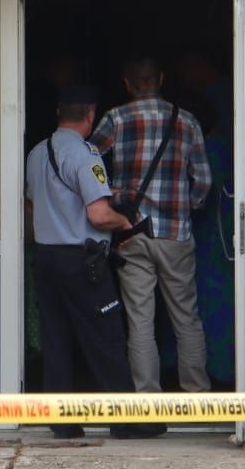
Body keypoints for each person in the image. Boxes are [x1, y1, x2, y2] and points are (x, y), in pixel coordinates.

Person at [25, 83, 165, 439]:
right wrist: (129, 223)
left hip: (45, 258)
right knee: (107, 340)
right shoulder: (86, 155)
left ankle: (62, 422)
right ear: (90, 116)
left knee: (56, 340)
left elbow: (32, 206)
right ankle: (125, 421)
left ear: (59, 113)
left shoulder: (37, 152)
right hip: (81, 261)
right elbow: (100, 215)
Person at [90, 57, 213, 398]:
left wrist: (110, 194)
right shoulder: (187, 122)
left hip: (131, 232)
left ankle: (146, 398)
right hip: (175, 234)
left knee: (139, 321)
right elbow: (202, 180)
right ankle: (197, 396)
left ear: (127, 84)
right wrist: (187, 208)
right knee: (186, 317)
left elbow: (86, 162)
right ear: (160, 78)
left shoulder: (115, 118)